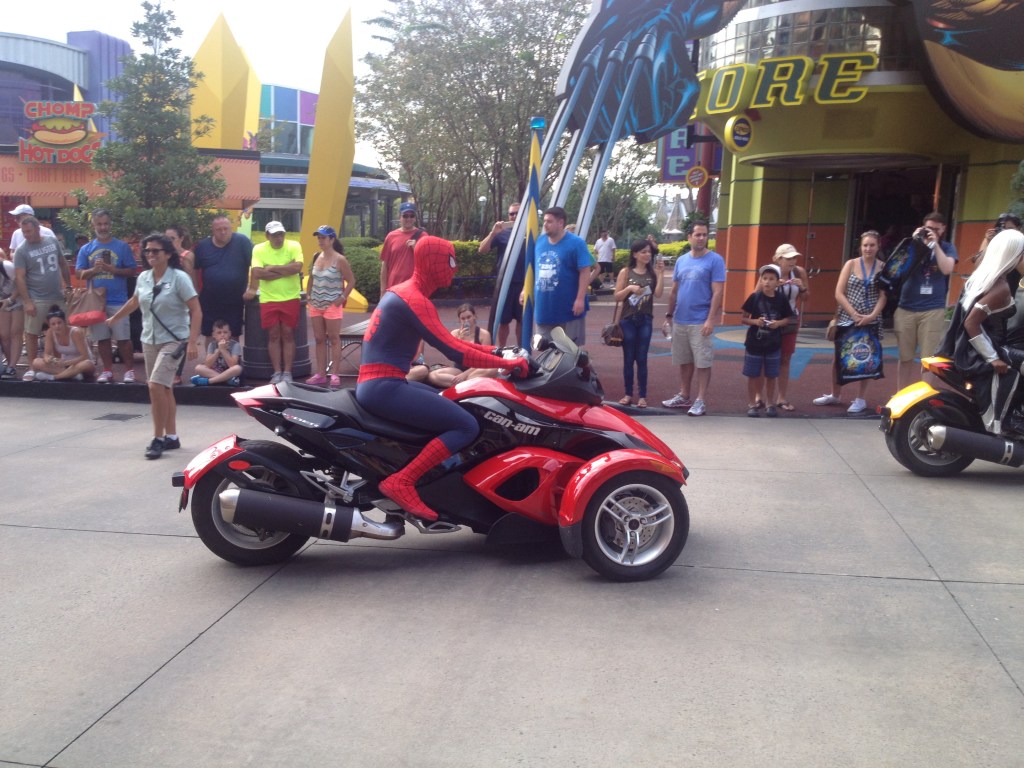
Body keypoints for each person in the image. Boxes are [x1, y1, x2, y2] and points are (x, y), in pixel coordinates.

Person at [356, 235, 528, 522]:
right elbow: (456, 352)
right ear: (431, 262)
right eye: (450, 261)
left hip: (381, 384)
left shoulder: (404, 292)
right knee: (465, 425)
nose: (454, 268)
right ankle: (403, 481)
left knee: (451, 400)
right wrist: (505, 363)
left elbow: (451, 341)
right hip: (384, 387)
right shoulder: (414, 299)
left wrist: (500, 351)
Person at [107, 233, 201, 460]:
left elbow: (196, 310)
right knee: (164, 388)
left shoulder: (179, 278)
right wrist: (114, 319)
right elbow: (134, 301)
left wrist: (192, 341)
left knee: (155, 385)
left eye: (156, 251)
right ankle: (172, 436)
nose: (150, 255)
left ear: (168, 254)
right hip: (149, 340)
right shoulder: (144, 278)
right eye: (147, 251)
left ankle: (157, 438)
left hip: (174, 340)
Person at [936, 229, 1024, 436]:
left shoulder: (982, 278)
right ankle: (1012, 419)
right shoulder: (1000, 287)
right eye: (1021, 252)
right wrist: (993, 358)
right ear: (1011, 254)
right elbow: (971, 323)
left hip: (969, 347)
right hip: (993, 349)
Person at [813, 230, 888, 414]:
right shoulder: (851, 264)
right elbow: (839, 292)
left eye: (872, 245)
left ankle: (860, 398)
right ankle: (835, 394)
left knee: (866, 357)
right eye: (865, 245)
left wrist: (871, 316)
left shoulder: (883, 267)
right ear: (860, 247)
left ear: (878, 246)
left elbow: (884, 295)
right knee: (840, 355)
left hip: (871, 319)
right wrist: (853, 314)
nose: (868, 248)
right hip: (848, 317)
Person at [661, 219, 725, 417]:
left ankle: (700, 400)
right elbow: (674, 291)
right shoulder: (682, 260)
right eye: (698, 234)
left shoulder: (715, 260)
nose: (702, 238)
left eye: (705, 234)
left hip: (700, 320)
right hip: (680, 319)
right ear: (689, 237)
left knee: (702, 362)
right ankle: (684, 394)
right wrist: (669, 316)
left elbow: (717, 292)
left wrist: (710, 319)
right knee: (684, 360)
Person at [893, 212, 958, 390]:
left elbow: (946, 269)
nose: (932, 232)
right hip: (906, 307)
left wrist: (935, 245)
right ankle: (901, 395)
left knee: (928, 359)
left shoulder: (947, 247)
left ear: (943, 229)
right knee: (905, 357)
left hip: (932, 309)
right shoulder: (912, 246)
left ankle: (924, 397)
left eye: (937, 229)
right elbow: (897, 268)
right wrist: (914, 243)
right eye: (929, 229)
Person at [75, 209, 139, 383]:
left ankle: (129, 370)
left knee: (123, 338)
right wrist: (93, 270)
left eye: (106, 224)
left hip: (118, 300)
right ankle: (107, 370)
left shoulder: (122, 246)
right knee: (102, 338)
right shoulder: (86, 249)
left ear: (110, 224)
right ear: (93, 225)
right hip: (96, 301)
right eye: (99, 224)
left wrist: (113, 270)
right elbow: (79, 273)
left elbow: (132, 270)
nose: (103, 227)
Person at [244, 221, 304, 384]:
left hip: (290, 297)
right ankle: (277, 372)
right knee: (274, 334)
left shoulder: (294, 245)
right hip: (269, 298)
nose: (278, 238)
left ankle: (287, 372)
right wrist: (285, 269)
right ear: (267, 236)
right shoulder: (259, 249)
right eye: (274, 235)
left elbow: (297, 268)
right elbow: (257, 273)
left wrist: (270, 268)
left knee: (287, 333)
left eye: (281, 234)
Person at [12, 216, 71, 381]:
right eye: (23, 232)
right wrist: (27, 301)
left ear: (38, 229)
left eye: (29, 231)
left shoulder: (52, 241)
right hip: (37, 297)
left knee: (61, 330)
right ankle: (32, 366)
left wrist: (68, 286)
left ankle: (60, 364)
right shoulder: (22, 250)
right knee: (31, 333)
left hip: (57, 295)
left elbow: (63, 263)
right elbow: (20, 278)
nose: (26, 235)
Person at [613, 238, 664, 408]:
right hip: (628, 320)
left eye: (649, 252)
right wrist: (629, 289)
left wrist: (661, 274)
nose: (647, 255)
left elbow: (658, 294)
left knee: (642, 359)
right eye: (643, 252)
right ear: (635, 254)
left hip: (645, 320)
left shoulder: (652, 273)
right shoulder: (626, 272)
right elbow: (617, 296)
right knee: (628, 359)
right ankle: (628, 394)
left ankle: (642, 395)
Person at [531, 206, 592, 346]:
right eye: (544, 221)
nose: (545, 225)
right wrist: (525, 289)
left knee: (569, 354)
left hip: (568, 310)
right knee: (544, 353)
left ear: (560, 223)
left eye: (549, 221)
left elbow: (585, 271)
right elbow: (535, 269)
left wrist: (580, 299)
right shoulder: (539, 242)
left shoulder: (576, 243)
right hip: (544, 309)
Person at [185, 214, 252, 340]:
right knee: (209, 333)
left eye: (226, 228)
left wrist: (252, 287)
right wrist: (196, 290)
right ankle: (210, 359)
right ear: (213, 231)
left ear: (231, 228)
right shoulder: (203, 246)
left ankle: (232, 359)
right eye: (219, 229)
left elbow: (256, 265)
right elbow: (195, 269)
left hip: (235, 299)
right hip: (209, 299)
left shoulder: (242, 242)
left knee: (233, 333)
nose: (223, 232)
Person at [305, 225, 356, 388]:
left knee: (334, 339)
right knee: (319, 339)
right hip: (316, 303)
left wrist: (342, 298)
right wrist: (308, 294)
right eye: (318, 237)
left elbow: (351, 281)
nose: (320, 241)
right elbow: (312, 277)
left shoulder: (339, 259)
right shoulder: (316, 256)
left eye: (323, 237)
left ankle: (334, 373)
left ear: (332, 239)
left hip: (332, 304)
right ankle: (320, 373)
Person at [740, 264, 794, 417]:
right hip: (754, 342)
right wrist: (755, 322)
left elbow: (787, 319)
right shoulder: (754, 297)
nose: (767, 282)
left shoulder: (781, 299)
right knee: (753, 374)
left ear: (778, 282)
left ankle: (770, 403)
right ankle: (752, 403)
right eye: (764, 279)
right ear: (760, 280)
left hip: (773, 342)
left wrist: (778, 323)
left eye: (771, 279)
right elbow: (743, 318)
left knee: (771, 374)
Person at [409, 303, 499, 388]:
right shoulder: (455, 333)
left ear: (474, 316)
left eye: (469, 317)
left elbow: (484, 360)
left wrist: (465, 375)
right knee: (432, 375)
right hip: (459, 369)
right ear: (459, 320)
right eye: (463, 318)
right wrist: (459, 340)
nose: (466, 321)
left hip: (476, 369)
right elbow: (451, 355)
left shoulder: (484, 335)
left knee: (493, 369)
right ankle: (468, 384)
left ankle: (460, 384)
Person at [771, 243, 810, 411]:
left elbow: (807, 297)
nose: (792, 261)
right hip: (771, 319)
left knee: (785, 358)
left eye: (794, 257)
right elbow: (756, 294)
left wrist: (801, 287)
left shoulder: (799, 272)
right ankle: (763, 398)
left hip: (791, 319)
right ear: (779, 259)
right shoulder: (770, 271)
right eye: (788, 258)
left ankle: (782, 397)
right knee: (769, 357)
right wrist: (772, 286)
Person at [479, 202, 522, 346]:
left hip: (523, 284)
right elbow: (482, 250)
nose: (515, 216)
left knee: (522, 322)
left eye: (518, 213)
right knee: (503, 321)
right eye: (512, 213)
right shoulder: (501, 232)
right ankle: (501, 352)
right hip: (505, 284)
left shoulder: (531, 231)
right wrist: (493, 233)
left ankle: (522, 352)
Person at [28, 305, 96, 381]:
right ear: (50, 325)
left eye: (59, 323)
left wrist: (67, 363)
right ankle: (72, 375)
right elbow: (46, 354)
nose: (57, 326)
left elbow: (85, 356)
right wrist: (52, 359)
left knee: (86, 364)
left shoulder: (75, 332)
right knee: (36, 362)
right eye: (53, 324)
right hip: (63, 366)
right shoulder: (50, 332)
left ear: (65, 322)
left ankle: (54, 377)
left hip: (81, 364)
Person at [379, 202, 424, 293]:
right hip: (393, 288)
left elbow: (427, 263)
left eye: (411, 216)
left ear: (415, 218)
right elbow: (385, 265)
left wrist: (416, 249)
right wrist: (382, 291)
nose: (408, 218)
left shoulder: (422, 236)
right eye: (405, 216)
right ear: (399, 217)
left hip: (414, 289)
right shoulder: (391, 236)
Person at [191, 318, 243, 386]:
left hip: (230, 372)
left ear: (229, 334)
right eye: (219, 332)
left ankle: (209, 381)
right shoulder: (212, 345)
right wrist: (218, 351)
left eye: (225, 332)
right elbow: (207, 364)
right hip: (215, 371)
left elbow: (232, 365)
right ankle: (227, 380)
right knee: (198, 368)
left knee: (237, 368)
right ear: (214, 335)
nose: (222, 335)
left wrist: (223, 350)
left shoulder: (235, 345)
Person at [0, 249, 23, 378]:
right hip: (2, 302)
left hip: (16, 299)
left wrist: (10, 299)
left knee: (15, 332)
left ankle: (12, 366)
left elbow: (21, 283)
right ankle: (9, 363)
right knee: (4, 335)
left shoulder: (7, 266)